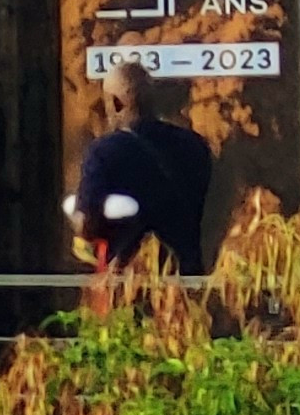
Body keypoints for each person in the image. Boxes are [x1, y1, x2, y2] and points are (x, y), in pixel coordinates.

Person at [66, 63, 217, 274]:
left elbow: (87, 226)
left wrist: (73, 217)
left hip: (130, 283)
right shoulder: (194, 146)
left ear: (116, 103)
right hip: (186, 281)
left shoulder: (104, 152)